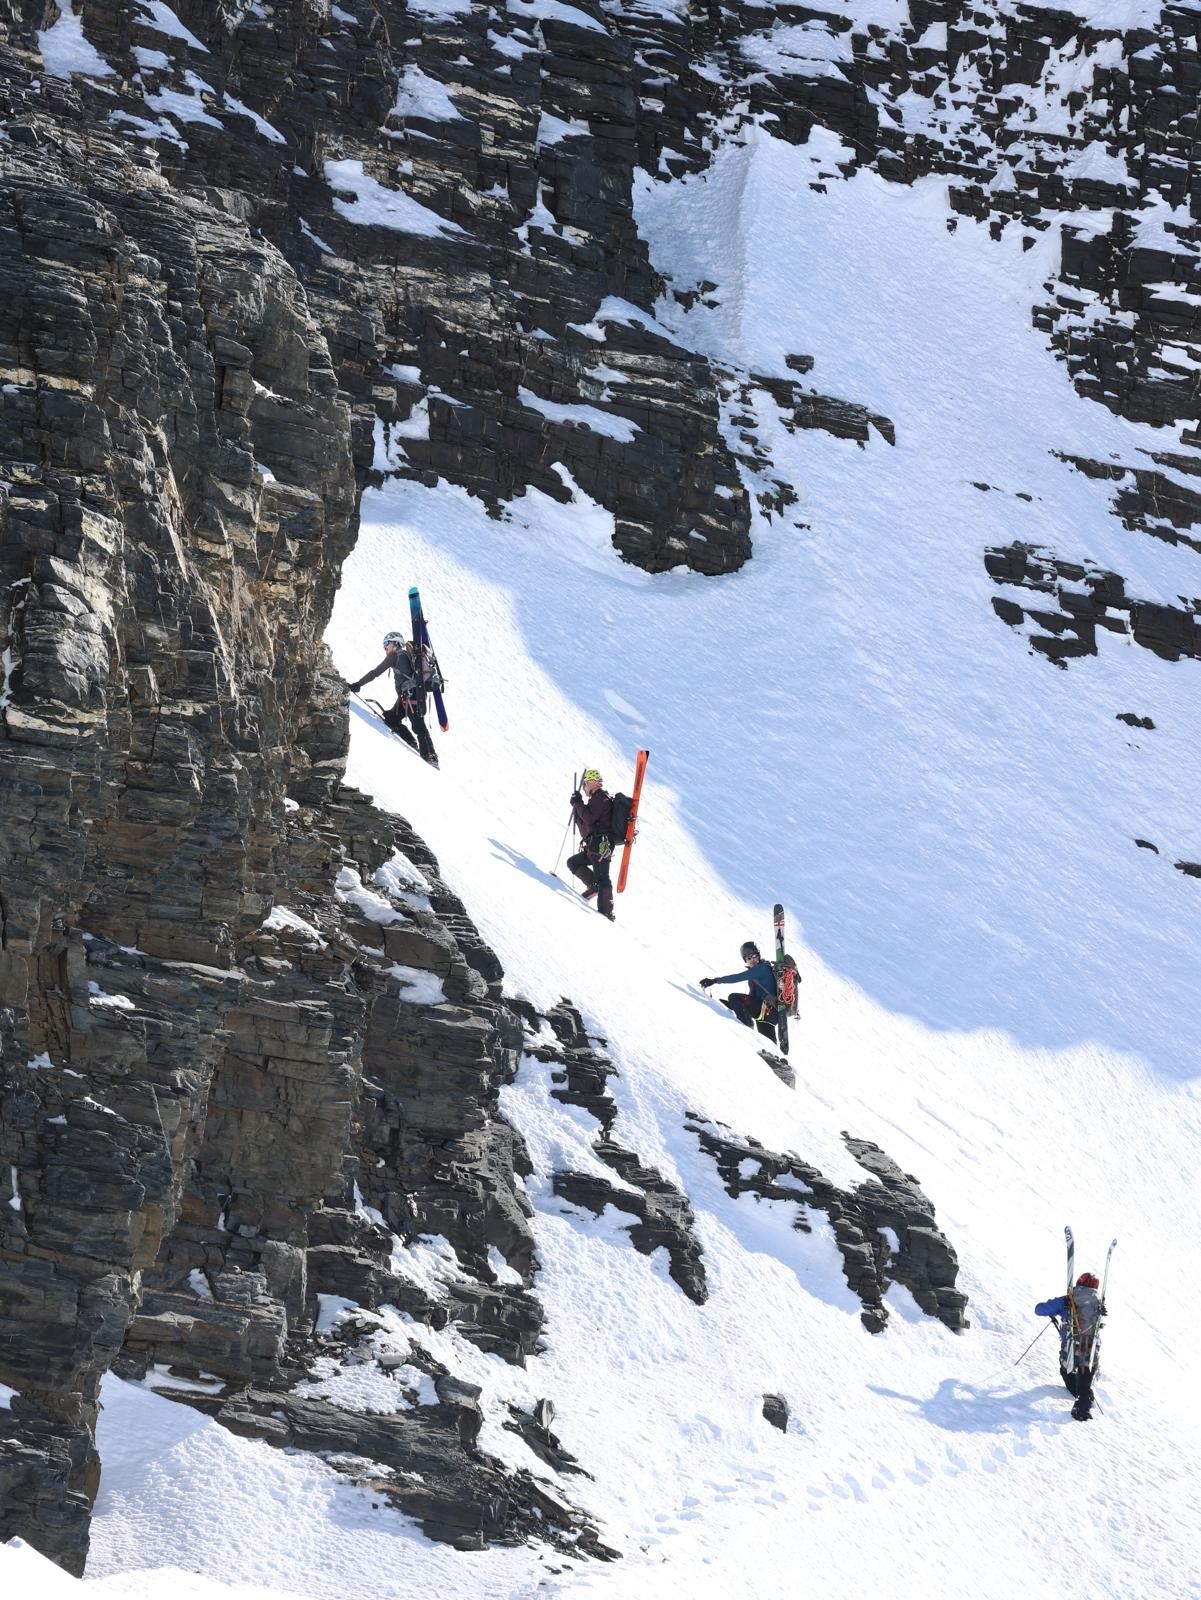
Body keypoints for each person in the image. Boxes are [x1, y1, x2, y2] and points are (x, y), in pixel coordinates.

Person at [348, 631, 439, 767]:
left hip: (410, 696)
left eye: (387, 643)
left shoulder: (395, 655)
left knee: (418, 724)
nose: (384, 647)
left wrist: (358, 685)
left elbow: (375, 672)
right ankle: (412, 741)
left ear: (396, 643)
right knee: (392, 719)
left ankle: (430, 755)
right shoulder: (408, 654)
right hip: (413, 695)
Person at [1034, 1271, 1104, 1421]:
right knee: (1084, 1384)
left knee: (1067, 1374)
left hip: (1071, 1351)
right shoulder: (1098, 1304)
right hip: (1091, 1353)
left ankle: (1081, 1407)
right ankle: (1085, 1399)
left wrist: (1058, 1308)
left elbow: (1039, 1310)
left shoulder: (1068, 1300)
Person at [699, 943, 779, 1043]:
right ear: (745, 960)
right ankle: (776, 1057)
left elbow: (738, 977)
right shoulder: (759, 972)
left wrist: (715, 981)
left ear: (758, 956)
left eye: (754, 956)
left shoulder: (762, 968)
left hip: (767, 1009)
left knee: (733, 997)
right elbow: (752, 998)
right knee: (768, 1044)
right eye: (748, 958)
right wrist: (736, 1006)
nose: (752, 960)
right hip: (770, 1015)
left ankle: (746, 1029)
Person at [567, 769, 615, 921]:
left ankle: (606, 912)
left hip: (601, 844)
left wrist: (579, 804)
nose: (584, 789)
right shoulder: (596, 800)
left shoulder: (601, 799)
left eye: (585, 785)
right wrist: (577, 809)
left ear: (592, 783)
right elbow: (587, 825)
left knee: (603, 877)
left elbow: (589, 818)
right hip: (594, 844)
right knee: (573, 862)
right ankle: (594, 885)